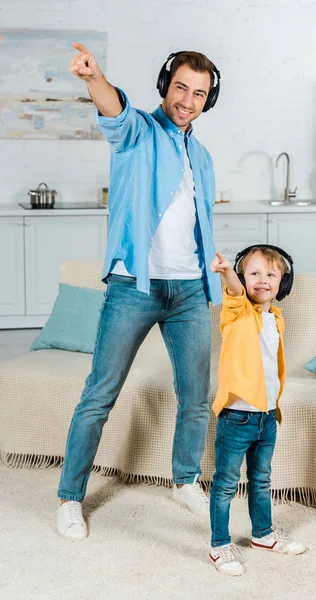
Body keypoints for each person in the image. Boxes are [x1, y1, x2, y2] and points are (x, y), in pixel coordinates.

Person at [56, 43, 222, 540]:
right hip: (135, 286)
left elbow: (197, 219)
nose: (187, 100)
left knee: (195, 396)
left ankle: (186, 479)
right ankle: (68, 498)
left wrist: (213, 264)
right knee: (99, 394)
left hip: (190, 288)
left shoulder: (203, 155)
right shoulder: (139, 133)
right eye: (180, 88)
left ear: (207, 101)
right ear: (165, 87)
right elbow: (114, 108)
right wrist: (94, 78)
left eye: (199, 93)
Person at [208, 245, 306, 576]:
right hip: (237, 416)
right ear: (242, 277)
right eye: (254, 273)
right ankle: (219, 545)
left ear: (283, 283)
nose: (262, 280)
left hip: (267, 416)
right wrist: (226, 273)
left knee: (261, 480)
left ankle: (263, 535)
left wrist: (273, 407)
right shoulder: (236, 310)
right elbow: (234, 291)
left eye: (271, 274)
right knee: (225, 484)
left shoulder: (276, 317)